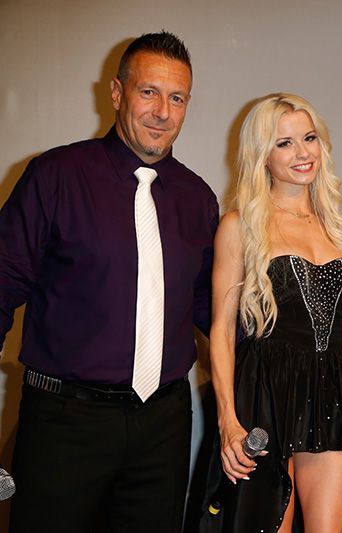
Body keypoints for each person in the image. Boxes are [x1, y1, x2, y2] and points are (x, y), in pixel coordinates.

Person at [0, 31, 218, 532]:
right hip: (63, 423)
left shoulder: (198, 199)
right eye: (149, 92)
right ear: (117, 93)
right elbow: (4, 282)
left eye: (177, 98)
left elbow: (213, 309)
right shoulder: (54, 176)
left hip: (163, 426)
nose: (162, 112)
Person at [208, 92, 342, 532]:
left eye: (309, 138)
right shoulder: (240, 225)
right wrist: (228, 421)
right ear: (262, 155)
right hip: (266, 392)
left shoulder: (332, 225)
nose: (302, 152)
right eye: (284, 143)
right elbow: (222, 329)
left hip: (333, 392)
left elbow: (336, 330)